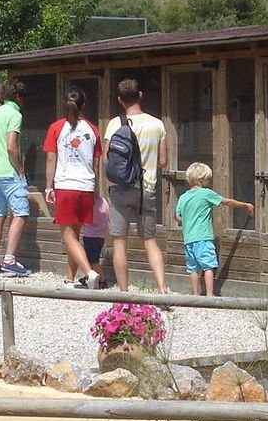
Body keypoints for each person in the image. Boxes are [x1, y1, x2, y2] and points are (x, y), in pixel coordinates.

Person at [105, 78, 168, 293]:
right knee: (150, 240)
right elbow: (163, 161)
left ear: (120, 100)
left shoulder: (115, 124)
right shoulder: (157, 124)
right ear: (140, 95)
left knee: (119, 242)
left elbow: (107, 158)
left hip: (121, 188)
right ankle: (161, 287)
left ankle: (124, 292)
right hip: (146, 189)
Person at [42, 88, 102, 289]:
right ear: (83, 106)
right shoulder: (93, 130)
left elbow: (51, 158)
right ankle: (69, 278)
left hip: (66, 185)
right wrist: (95, 189)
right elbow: (95, 164)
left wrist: (49, 187)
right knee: (74, 236)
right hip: (86, 186)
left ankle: (90, 273)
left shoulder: (57, 128)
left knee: (67, 236)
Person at [0, 77, 33, 277]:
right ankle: (10, 259)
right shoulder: (14, 114)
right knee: (20, 214)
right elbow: (11, 146)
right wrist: (19, 169)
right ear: (17, 96)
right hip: (9, 172)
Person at [174, 162, 254, 297]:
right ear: (201, 179)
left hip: (188, 239)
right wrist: (245, 205)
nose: (209, 181)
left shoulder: (183, 197)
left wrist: (188, 220)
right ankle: (210, 295)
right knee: (208, 266)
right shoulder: (206, 193)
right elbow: (226, 202)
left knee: (192, 269)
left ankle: (195, 295)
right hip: (203, 238)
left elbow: (177, 217)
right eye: (208, 179)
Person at [76, 194, 111, 287]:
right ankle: (88, 277)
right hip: (101, 234)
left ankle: (102, 281)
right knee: (91, 258)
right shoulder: (103, 200)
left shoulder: (88, 203)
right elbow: (108, 215)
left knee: (93, 261)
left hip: (91, 234)